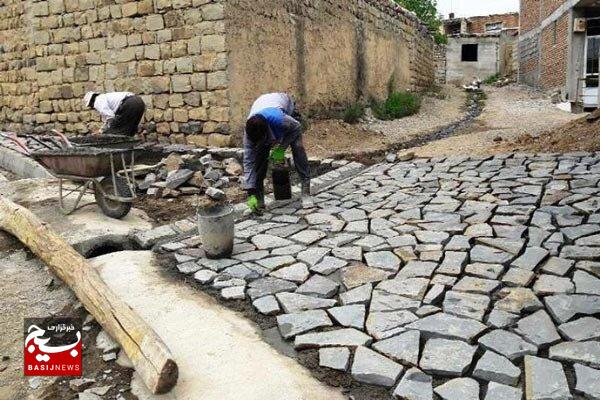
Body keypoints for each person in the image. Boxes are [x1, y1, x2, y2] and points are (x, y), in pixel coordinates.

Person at [243, 93, 311, 214]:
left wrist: (280, 149)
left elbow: (296, 127)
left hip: (285, 106)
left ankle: (306, 191)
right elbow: (249, 162)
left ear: (267, 131)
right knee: (260, 157)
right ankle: (258, 200)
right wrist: (250, 192)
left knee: (297, 147)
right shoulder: (249, 134)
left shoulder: (280, 119)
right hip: (264, 104)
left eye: (262, 140)